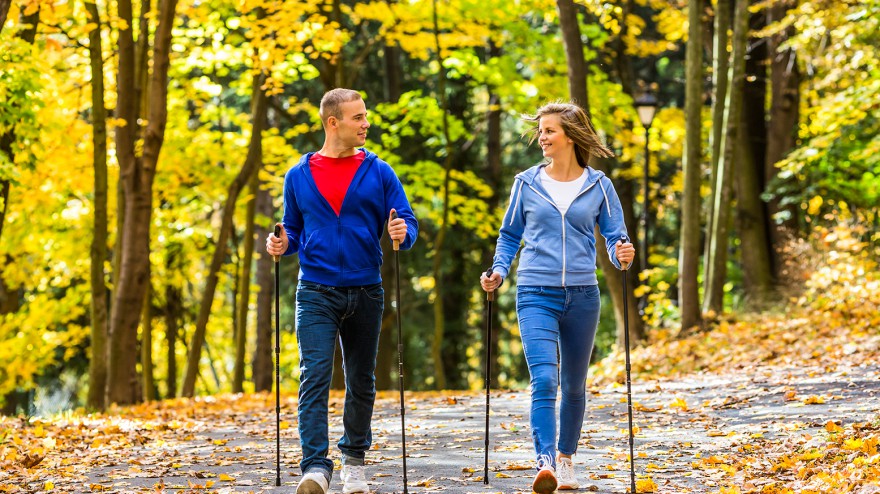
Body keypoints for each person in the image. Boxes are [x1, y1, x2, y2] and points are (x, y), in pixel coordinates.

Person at [266, 88, 418, 494]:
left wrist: (403, 231)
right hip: (315, 289)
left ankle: (354, 462)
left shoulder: (380, 171)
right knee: (313, 375)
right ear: (333, 123)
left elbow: (406, 219)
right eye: (358, 117)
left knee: (361, 379)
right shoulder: (298, 175)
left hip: (366, 288)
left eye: (365, 116)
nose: (366, 123)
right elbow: (293, 229)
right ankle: (315, 467)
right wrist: (282, 243)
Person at [480, 102, 635, 493]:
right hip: (535, 291)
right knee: (545, 379)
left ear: (570, 135)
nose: (542, 138)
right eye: (541, 131)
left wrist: (622, 251)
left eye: (549, 131)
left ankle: (566, 460)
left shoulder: (599, 185)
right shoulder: (526, 183)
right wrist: (499, 270)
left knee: (575, 384)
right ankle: (545, 461)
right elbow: (510, 234)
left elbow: (616, 234)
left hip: (583, 294)